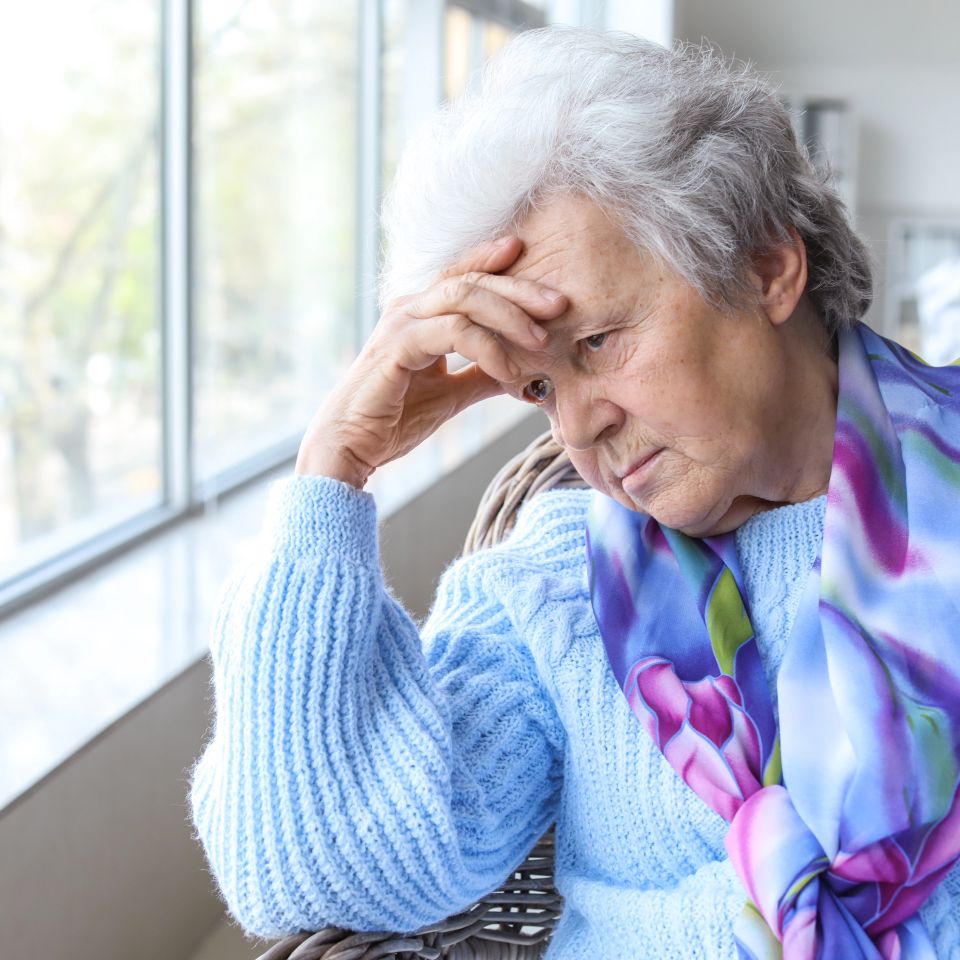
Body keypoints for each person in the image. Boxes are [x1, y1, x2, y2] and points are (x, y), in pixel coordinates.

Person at [189, 27, 960, 958]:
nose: (577, 426)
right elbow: (310, 870)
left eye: (596, 343)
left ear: (765, 265)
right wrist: (333, 470)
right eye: (541, 388)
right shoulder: (556, 588)